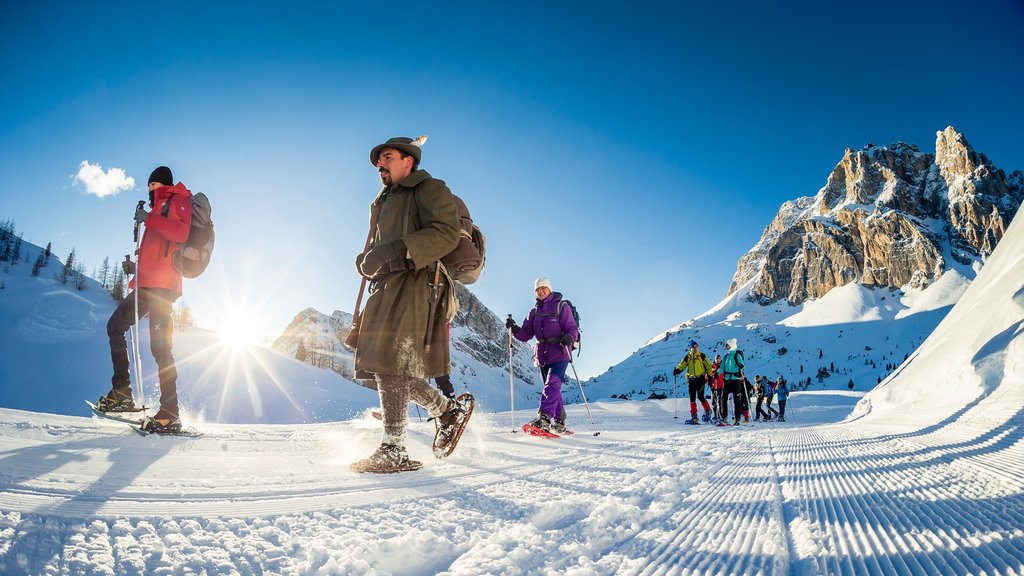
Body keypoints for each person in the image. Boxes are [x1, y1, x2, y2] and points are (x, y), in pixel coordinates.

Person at [351, 136, 474, 472]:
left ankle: (394, 448)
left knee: (391, 362)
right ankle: (446, 411)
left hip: (419, 282)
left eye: (387, 158)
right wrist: (369, 260)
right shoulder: (383, 201)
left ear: (409, 161)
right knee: (386, 364)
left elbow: (446, 233)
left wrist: (392, 251)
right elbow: (382, 246)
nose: (380, 165)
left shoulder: (428, 187)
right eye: (378, 161)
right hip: (387, 285)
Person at [96, 166, 193, 434]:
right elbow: (154, 256)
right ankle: (122, 393)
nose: (148, 189)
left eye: (151, 185)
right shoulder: (156, 209)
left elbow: (181, 233)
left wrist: (149, 219)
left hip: (163, 289)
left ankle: (170, 413)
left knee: (160, 348)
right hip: (147, 286)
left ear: (158, 184)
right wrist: (134, 272)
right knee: (114, 327)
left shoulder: (177, 200)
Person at [506, 277, 579, 434]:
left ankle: (543, 418)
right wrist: (515, 329)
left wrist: (570, 337)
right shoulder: (534, 312)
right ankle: (559, 422)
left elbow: (572, 327)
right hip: (542, 355)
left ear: (550, 289)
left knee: (552, 383)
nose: (540, 291)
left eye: (543, 288)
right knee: (552, 388)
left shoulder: (561, 306)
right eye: (537, 289)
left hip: (560, 351)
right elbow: (526, 334)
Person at [672, 340, 714, 424]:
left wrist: (709, 376)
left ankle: (708, 411)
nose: (695, 348)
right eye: (693, 347)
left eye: (696, 346)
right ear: (690, 348)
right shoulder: (688, 357)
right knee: (692, 399)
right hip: (691, 380)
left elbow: (709, 366)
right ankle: (694, 418)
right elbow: (682, 365)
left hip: (701, 379)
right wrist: (677, 370)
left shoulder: (701, 356)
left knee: (701, 397)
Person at [719, 338, 746, 426]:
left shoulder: (736, 355)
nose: (726, 346)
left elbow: (742, 364)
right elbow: (722, 367)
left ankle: (737, 419)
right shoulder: (726, 356)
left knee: (736, 400)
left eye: (727, 345)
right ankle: (724, 417)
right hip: (726, 379)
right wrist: (717, 374)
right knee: (723, 399)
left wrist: (741, 365)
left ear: (732, 345)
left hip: (735, 380)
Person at [709, 354, 725, 425]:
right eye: (716, 359)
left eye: (719, 359)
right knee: (714, 402)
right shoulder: (712, 367)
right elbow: (708, 375)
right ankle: (715, 415)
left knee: (720, 401)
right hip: (714, 386)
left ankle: (720, 415)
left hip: (721, 386)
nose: (718, 360)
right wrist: (709, 381)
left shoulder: (723, 367)